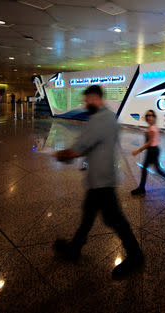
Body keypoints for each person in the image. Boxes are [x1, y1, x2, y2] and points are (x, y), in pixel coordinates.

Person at [53, 85, 143, 279]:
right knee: (88, 216)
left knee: (115, 220)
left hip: (102, 181)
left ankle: (136, 256)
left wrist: (61, 154)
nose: (85, 104)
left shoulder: (99, 119)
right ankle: (74, 248)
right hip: (100, 178)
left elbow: (79, 147)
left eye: (87, 100)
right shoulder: (110, 116)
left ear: (95, 98)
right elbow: (94, 145)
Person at [131, 110, 165, 196]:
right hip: (153, 150)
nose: (149, 117)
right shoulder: (152, 127)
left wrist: (138, 151)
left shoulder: (152, 128)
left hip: (152, 151)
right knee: (150, 169)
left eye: (151, 115)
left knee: (156, 169)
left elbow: (149, 142)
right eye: (148, 115)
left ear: (154, 117)